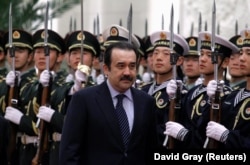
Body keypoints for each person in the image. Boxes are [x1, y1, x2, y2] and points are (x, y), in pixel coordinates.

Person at [59, 41, 158, 165]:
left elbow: (151, 150)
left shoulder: (146, 102)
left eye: (132, 66)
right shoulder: (84, 99)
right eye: (121, 66)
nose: (127, 72)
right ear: (106, 69)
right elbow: (69, 151)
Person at [164, 31, 239, 149]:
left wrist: (185, 135)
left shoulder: (228, 96)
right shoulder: (192, 92)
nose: (202, 59)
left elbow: (209, 136)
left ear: (225, 62)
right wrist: (172, 99)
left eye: (210, 56)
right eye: (202, 54)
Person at [140, 30, 189, 150]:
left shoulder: (182, 94)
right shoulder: (143, 90)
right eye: (155, 53)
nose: (158, 58)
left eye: (166, 54)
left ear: (179, 61)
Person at [204, 28, 250, 149]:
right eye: (241, 53)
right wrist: (211, 101)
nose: (241, 58)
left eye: (248, 53)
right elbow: (203, 130)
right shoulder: (232, 96)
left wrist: (227, 137)